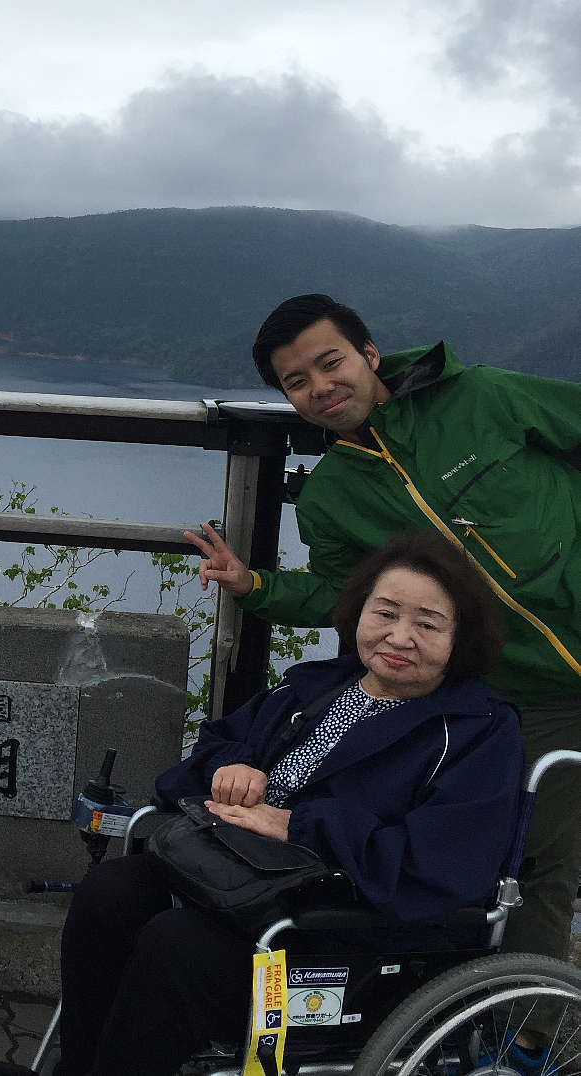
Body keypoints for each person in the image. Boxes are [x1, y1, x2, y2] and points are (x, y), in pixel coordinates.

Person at [186, 293, 581, 991]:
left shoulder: (483, 399)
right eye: (296, 382)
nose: (319, 388)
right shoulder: (332, 496)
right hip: (526, 694)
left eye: (329, 362)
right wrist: (255, 587)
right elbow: (346, 599)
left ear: (370, 355)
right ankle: (521, 1035)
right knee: (533, 863)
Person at [31, 530, 523, 1076]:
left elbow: (438, 863)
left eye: (426, 624)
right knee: (112, 891)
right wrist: (229, 771)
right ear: (358, 614)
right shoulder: (317, 687)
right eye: (384, 613)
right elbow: (206, 753)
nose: (399, 637)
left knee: (177, 947)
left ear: (461, 638)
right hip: (246, 884)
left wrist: (299, 825)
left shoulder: (479, 731)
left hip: (355, 932)